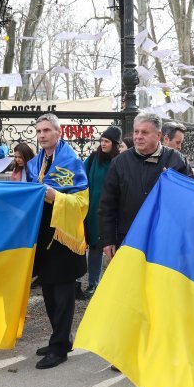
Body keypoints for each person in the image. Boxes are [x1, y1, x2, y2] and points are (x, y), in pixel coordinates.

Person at [26, 113, 89, 369]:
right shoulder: (35, 163)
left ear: (58, 132)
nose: (42, 135)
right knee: (49, 292)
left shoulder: (71, 162)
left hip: (64, 237)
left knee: (62, 293)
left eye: (46, 131)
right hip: (42, 235)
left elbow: (82, 201)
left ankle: (60, 348)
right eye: (39, 131)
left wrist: (55, 197)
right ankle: (59, 338)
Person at [99, 112, 192, 258]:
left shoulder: (176, 160)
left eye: (144, 132)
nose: (138, 136)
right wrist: (108, 239)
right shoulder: (119, 162)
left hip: (165, 240)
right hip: (129, 240)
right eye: (136, 131)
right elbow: (107, 204)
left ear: (158, 135)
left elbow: (191, 198)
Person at [81, 125, 121, 299]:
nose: (103, 144)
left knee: (108, 247)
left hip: (110, 211)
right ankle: (92, 284)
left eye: (107, 141)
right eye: (102, 141)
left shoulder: (119, 161)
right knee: (93, 248)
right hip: (90, 211)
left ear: (115, 144)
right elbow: (80, 176)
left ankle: (115, 285)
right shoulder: (92, 159)